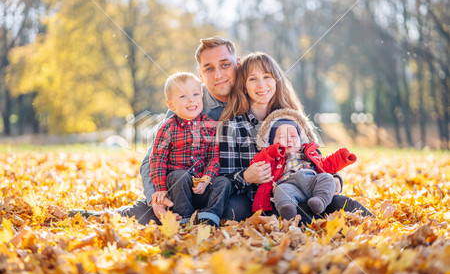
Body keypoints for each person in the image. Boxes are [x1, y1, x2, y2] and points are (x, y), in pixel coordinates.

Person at [70, 37, 251, 224]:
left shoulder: (252, 96)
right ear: (200, 74)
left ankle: (205, 220)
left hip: (220, 189)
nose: (218, 74)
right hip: (180, 186)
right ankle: (88, 217)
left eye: (225, 65)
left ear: (237, 64)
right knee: (143, 215)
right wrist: (155, 197)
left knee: (238, 210)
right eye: (209, 68)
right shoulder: (184, 102)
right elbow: (152, 158)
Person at [218, 51, 373, 225]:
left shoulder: (291, 118)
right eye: (252, 79)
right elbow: (223, 179)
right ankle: (303, 219)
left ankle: (376, 226)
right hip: (266, 198)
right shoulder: (232, 126)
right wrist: (246, 176)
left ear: (277, 80)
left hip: (307, 189)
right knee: (234, 210)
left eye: (267, 76)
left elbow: (315, 159)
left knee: (343, 204)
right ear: (244, 86)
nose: (261, 84)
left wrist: (335, 180)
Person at [149, 72, 231, 226]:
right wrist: (160, 188)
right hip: (179, 189)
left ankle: (209, 216)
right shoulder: (168, 127)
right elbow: (158, 159)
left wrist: (206, 179)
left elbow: (214, 158)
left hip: (203, 185)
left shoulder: (210, 124)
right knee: (179, 176)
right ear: (171, 105)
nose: (191, 99)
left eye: (195, 94)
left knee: (224, 182)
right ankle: (184, 217)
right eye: (183, 96)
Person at [252, 108, 358, 220]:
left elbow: (326, 164)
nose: (289, 140)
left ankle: (320, 201)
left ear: (301, 139)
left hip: (312, 182)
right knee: (280, 190)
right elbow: (259, 160)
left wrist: (342, 157)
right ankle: (287, 209)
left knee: (327, 177)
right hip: (289, 185)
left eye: (293, 136)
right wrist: (271, 151)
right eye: (282, 137)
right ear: (272, 142)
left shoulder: (309, 154)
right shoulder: (273, 158)